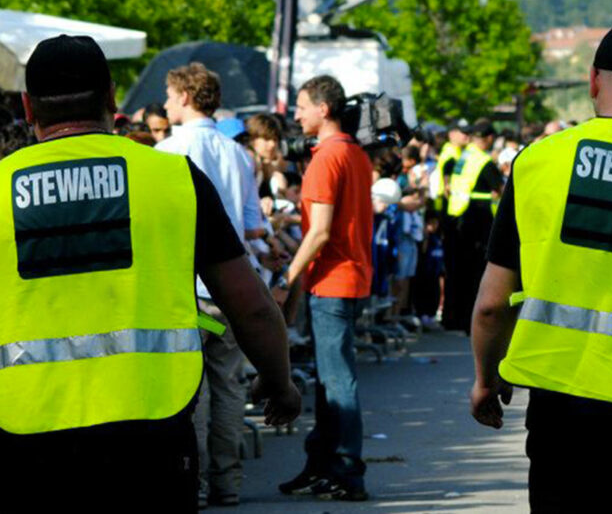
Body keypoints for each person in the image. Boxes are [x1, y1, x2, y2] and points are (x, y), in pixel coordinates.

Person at [0, 34, 300, 513]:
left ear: (28, 107)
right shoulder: (173, 179)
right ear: (112, 97)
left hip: (27, 432)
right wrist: (279, 383)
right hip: (151, 433)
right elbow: (249, 305)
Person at [470, 19, 612, 512]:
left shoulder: (537, 163)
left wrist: (486, 379)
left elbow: (492, 305)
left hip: (564, 417)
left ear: (594, 81)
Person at [156, 62, 266, 508]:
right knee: (228, 387)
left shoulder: (165, 152)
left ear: (184, 96)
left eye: (168, 94)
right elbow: (253, 225)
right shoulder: (237, 153)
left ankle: (197, 483)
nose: (165, 103)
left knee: (192, 392)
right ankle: (228, 482)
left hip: (188, 294)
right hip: (232, 291)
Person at [277, 75, 373, 501]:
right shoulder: (354, 153)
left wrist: (286, 280)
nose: (296, 115)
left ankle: (348, 470)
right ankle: (322, 463)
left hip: (333, 281)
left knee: (337, 381)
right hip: (350, 278)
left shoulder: (326, 159)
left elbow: (318, 233)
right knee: (329, 379)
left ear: (324, 109)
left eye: (301, 106)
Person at [444, 119, 502, 332]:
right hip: (478, 221)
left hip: (457, 217)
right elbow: (501, 189)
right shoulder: (484, 161)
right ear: (488, 139)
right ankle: (470, 322)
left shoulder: (465, 156)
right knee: (475, 274)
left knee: (457, 272)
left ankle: (454, 319)